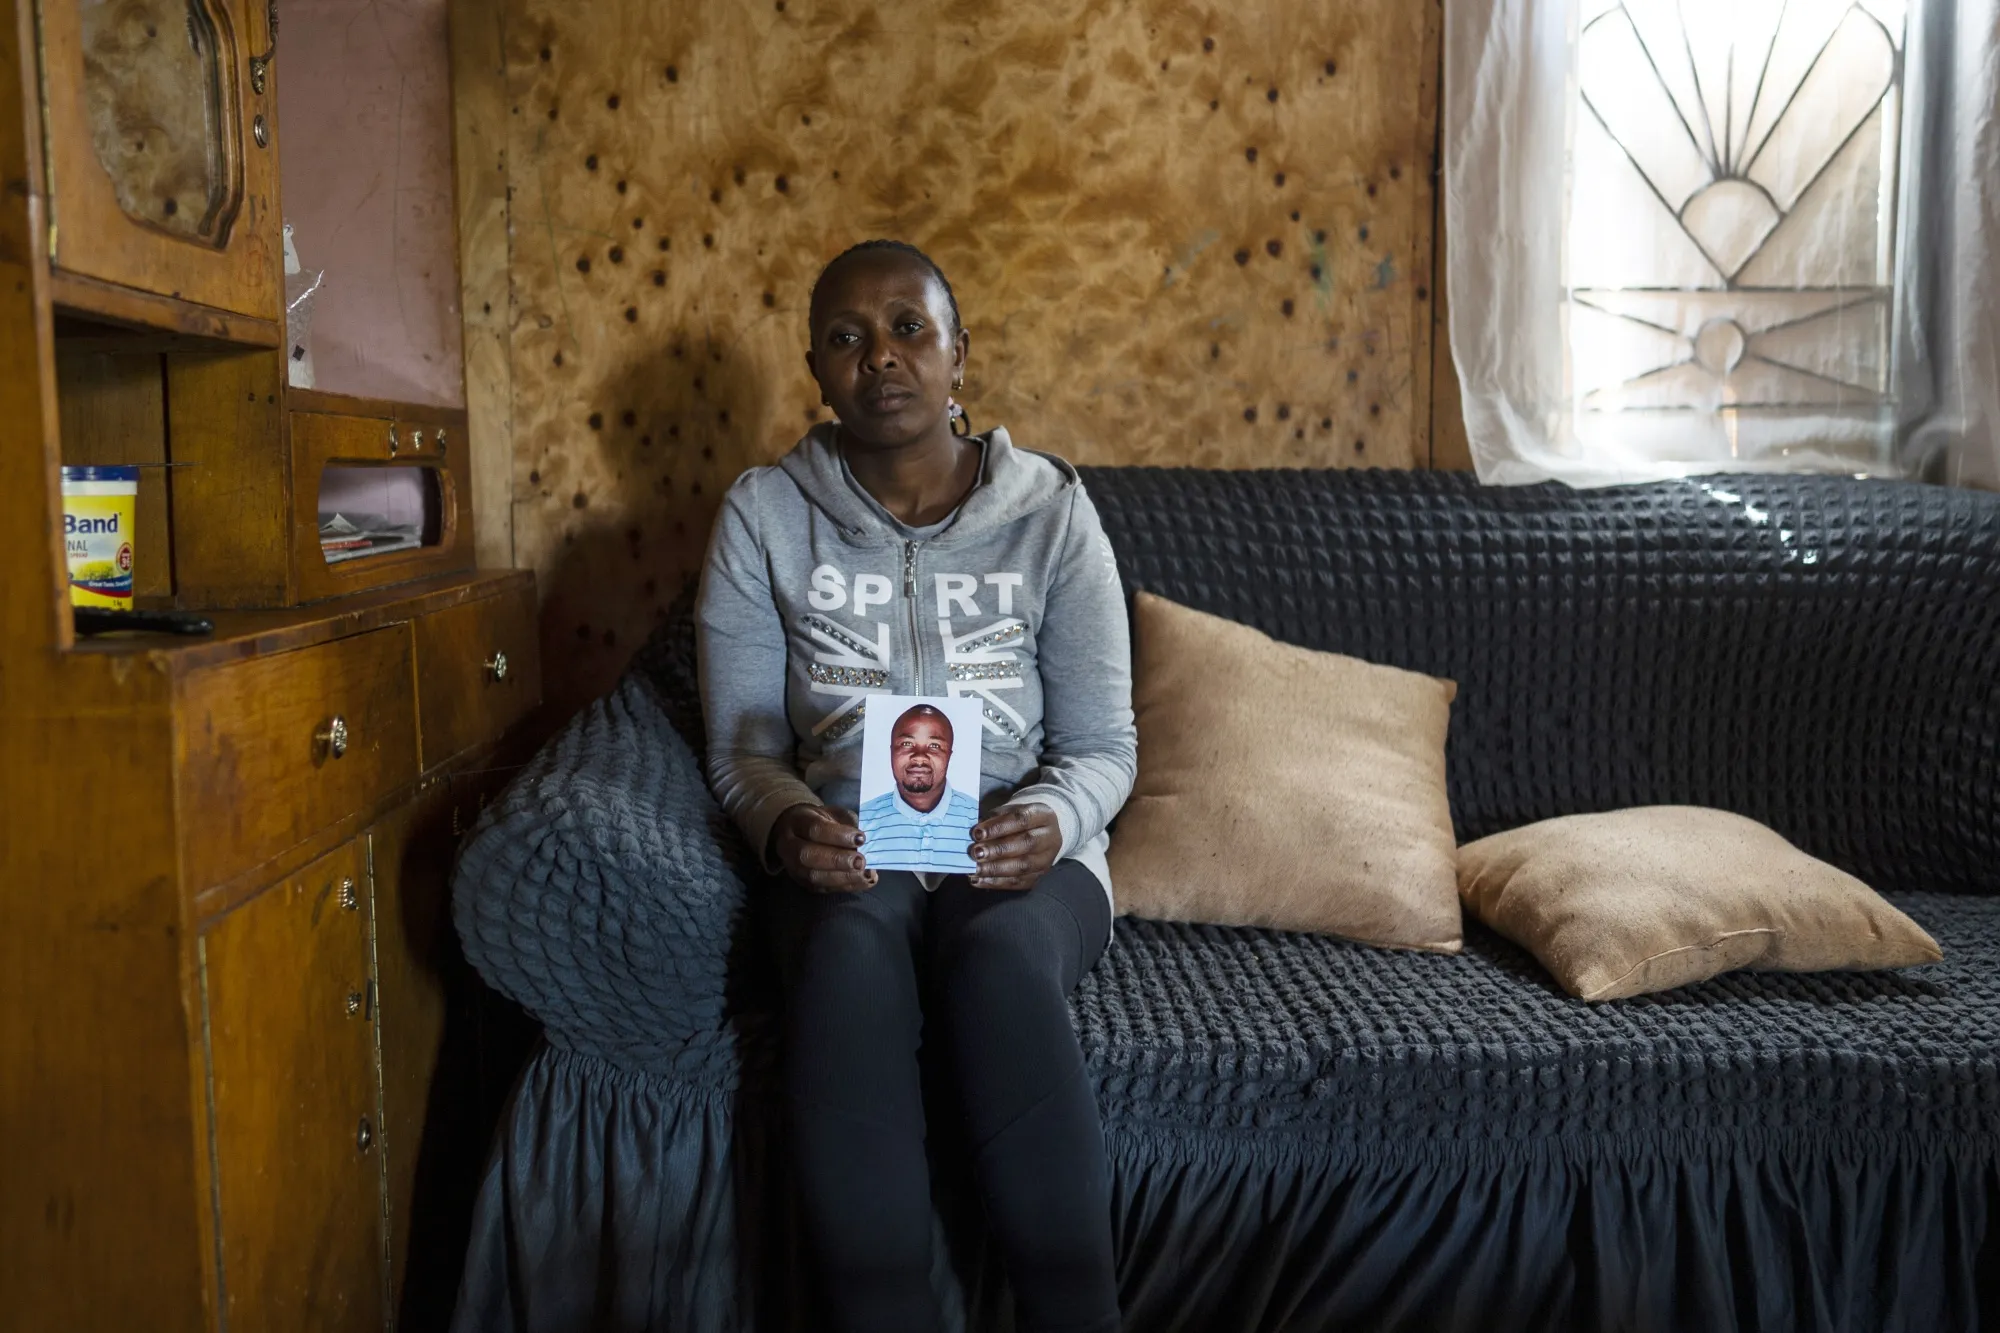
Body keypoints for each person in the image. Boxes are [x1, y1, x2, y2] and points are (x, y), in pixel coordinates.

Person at [696, 238, 1135, 1333]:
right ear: (816, 369)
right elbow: (740, 752)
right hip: (850, 850)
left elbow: (1104, 747)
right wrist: (787, 823)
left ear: (957, 355)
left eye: (907, 329)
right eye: (846, 337)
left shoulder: (1052, 513)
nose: (880, 357)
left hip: (1022, 854)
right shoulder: (762, 516)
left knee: (996, 957)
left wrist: (1051, 818)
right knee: (847, 952)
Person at [858, 703, 982, 873]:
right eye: (906, 743)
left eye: (934, 746)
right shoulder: (863, 820)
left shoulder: (978, 819)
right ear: (891, 751)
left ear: (949, 755)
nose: (919, 757)